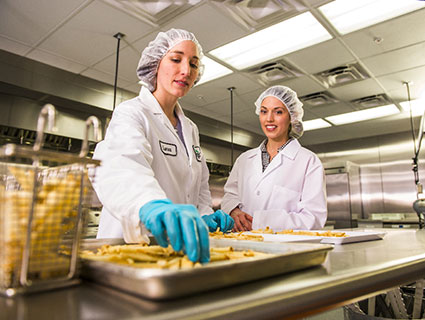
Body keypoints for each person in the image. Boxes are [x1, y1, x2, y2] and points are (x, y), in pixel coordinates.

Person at [92, 29, 234, 263]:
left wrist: (205, 215)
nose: (186, 70)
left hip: (176, 252)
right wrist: (150, 205)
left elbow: (198, 188)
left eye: (194, 64)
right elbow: (122, 165)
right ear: (156, 64)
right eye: (176, 59)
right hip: (131, 247)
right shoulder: (132, 113)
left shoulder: (190, 128)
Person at [221, 85, 327, 232]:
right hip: (242, 245)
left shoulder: (309, 161)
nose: (269, 119)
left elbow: (313, 218)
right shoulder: (244, 159)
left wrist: (260, 222)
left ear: (292, 116)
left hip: (285, 248)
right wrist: (234, 211)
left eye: (278, 112)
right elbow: (230, 196)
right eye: (264, 111)